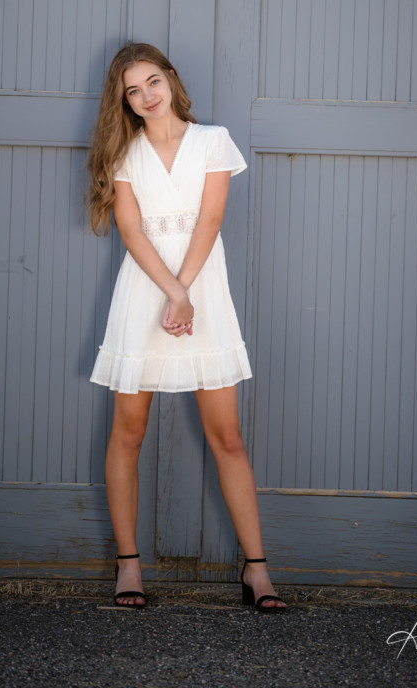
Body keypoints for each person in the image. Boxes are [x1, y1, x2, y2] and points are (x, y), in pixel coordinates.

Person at [86, 42, 286, 612]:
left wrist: (188, 292)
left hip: (205, 299)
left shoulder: (211, 141)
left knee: (228, 437)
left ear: (171, 79)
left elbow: (211, 219)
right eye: (133, 90)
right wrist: (173, 293)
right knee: (128, 432)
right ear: (123, 101)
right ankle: (129, 566)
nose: (147, 96)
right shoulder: (124, 152)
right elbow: (131, 233)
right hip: (146, 297)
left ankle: (257, 571)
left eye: (153, 81)